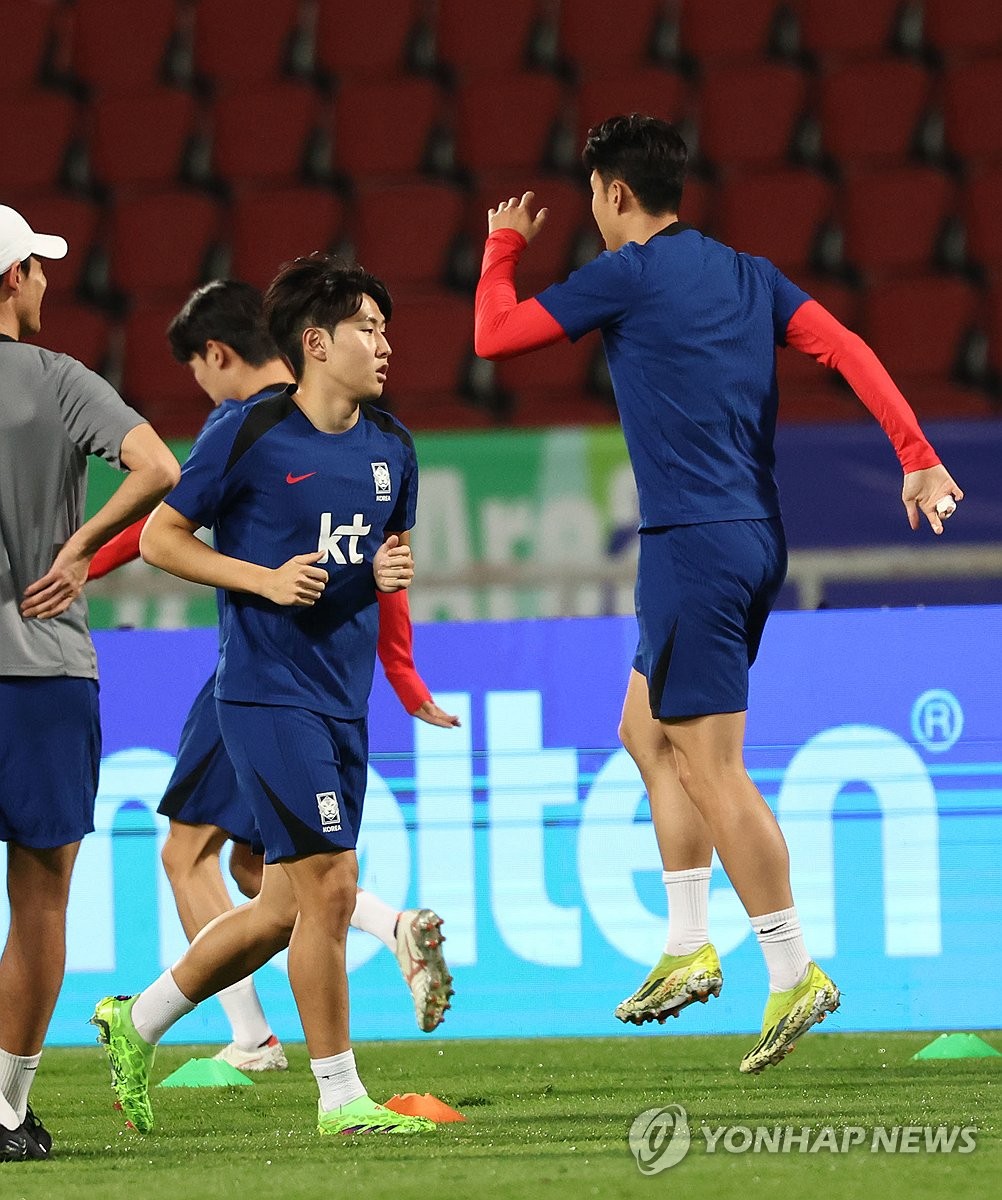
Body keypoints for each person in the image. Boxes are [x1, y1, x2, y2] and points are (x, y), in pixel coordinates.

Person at [473, 116, 964, 1075]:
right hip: (750, 538)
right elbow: (848, 348)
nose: (596, 211)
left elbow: (494, 336)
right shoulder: (750, 274)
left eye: (594, 196)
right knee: (645, 731)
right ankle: (688, 941)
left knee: (712, 766)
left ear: (615, 194)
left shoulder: (625, 275)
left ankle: (791, 968)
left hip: (691, 546)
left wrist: (503, 246)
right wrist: (915, 452)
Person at [92, 254, 439, 1136]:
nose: (384, 345)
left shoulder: (393, 448)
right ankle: (341, 1100)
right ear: (316, 343)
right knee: (331, 888)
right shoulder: (248, 432)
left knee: (284, 907)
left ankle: (136, 1023)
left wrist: (387, 575)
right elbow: (164, 538)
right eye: (367, 329)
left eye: (386, 329)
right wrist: (262, 579)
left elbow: (382, 560)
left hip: (342, 694)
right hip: (265, 689)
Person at [0, 204, 180, 1162]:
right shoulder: (59, 378)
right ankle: (4, 1112)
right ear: (11, 279)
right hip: (41, 669)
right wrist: (79, 549)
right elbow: (158, 466)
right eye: (35, 266)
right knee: (39, 901)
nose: (45, 280)